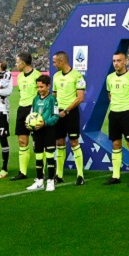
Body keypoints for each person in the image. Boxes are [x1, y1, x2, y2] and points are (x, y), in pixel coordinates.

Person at [104, 50, 129, 185]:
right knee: (115, 144)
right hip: (114, 114)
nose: (116, 63)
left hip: (127, 113)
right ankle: (116, 176)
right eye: (114, 61)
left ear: (125, 61)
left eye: (119, 60)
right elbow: (110, 94)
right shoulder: (109, 78)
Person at [50, 50, 87, 184]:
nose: (53, 64)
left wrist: (66, 110)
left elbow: (80, 98)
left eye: (55, 62)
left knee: (74, 142)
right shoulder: (56, 76)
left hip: (71, 113)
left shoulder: (77, 76)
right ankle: (59, 175)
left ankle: (80, 175)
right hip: (58, 114)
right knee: (59, 142)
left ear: (61, 61)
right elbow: (54, 96)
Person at [28, 74, 60, 191]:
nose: (40, 89)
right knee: (38, 155)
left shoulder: (52, 99)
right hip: (37, 131)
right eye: (38, 87)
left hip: (49, 130)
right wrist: (29, 124)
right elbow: (32, 114)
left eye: (42, 87)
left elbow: (56, 116)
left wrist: (45, 123)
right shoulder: (35, 99)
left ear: (48, 86)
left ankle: (51, 181)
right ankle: (39, 180)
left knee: (50, 155)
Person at [12, 52, 40, 180]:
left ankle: (41, 172)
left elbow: (41, 94)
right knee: (22, 141)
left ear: (23, 63)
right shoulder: (19, 76)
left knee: (38, 143)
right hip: (22, 110)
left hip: (33, 110)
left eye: (17, 62)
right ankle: (22, 172)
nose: (16, 64)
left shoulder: (37, 75)